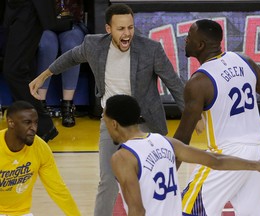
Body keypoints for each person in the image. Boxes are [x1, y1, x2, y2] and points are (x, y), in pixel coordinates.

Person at [29, 3, 198, 215]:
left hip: (145, 122)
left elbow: (174, 83)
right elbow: (71, 57)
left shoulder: (150, 49)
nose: (127, 33)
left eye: (130, 27)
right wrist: (44, 75)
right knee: (107, 181)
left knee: (151, 181)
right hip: (112, 123)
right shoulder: (93, 45)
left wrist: (194, 118)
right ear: (109, 29)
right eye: (121, 29)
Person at [173, 19, 260, 215]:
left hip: (226, 155)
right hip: (259, 149)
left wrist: (168, 173)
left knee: (187, 209)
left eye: (189, 37)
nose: (185, 40)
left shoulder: (198, 82)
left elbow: (183, 137)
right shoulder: (244, 60)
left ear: (200, 45)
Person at [103, 94, 260, 216]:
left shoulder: (122, 158)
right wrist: (256, 165)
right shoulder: (167, 142)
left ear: (113, 124)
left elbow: (137, 209)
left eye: (104, 118)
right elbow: (216, 161)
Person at [0, 100, 81, 215]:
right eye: (27, 122)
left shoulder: (40, 148)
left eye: (36, 123)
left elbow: (58, 189)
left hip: (21, 213)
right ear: (11, 123)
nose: (33, 128)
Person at [2, 0, 58, 142]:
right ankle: (28, 125)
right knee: (23, 67)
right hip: (12, 8)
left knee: (14, 69)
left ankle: (44, 125)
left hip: (30, 7)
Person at [36, 0, 88, 127]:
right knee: (47, 45)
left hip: (72, 22)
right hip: (43, 23)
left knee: (72, 46)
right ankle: (40, 104)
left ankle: (68, 104)